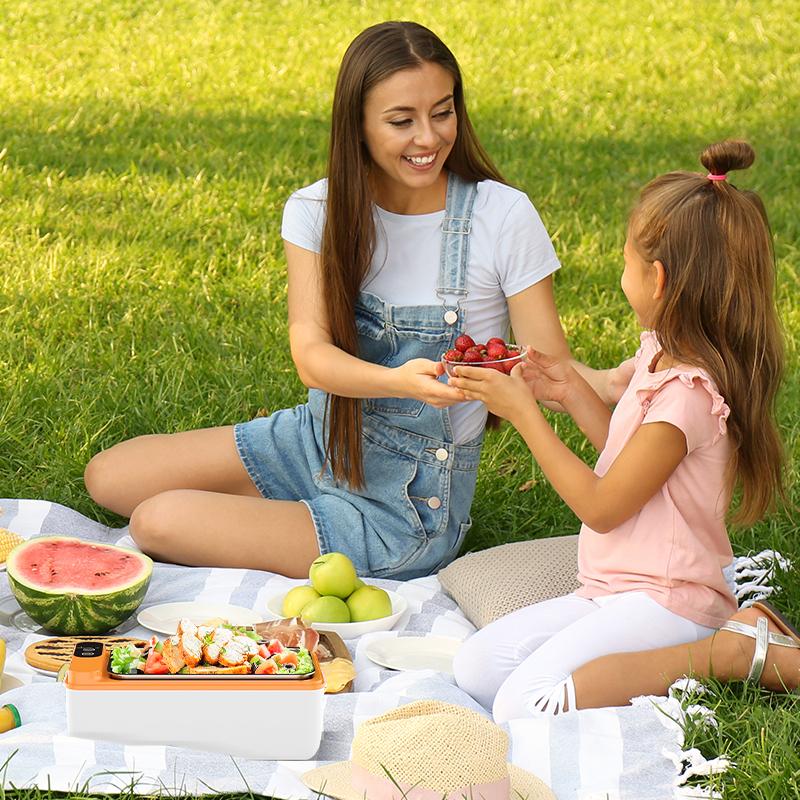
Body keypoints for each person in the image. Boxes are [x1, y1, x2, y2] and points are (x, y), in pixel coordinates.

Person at [84, 21, 617, 579]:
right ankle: (294, 515)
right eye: (401, 121)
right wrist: (398, 382)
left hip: (406, 508)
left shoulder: (501, 215)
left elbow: (544, 366)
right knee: (109, 477)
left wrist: (604, 384)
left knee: (156, 521)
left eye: (442, 112)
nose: (428, 138)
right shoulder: (317, 210)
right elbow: (311, 356)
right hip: (317, 442)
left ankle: (294, 522)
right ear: (357, 125)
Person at [451, 140, 797, 718]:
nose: (621, 275)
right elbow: (628, 459)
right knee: (477, 668)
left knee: (523, 706)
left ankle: (722, 653)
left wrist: (526, 415)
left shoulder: (688, 396)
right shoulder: (659, 355)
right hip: (614, 588)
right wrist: (570, 391)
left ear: (657, 279)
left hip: (669, 601)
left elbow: (603, 506)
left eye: (625, 262)